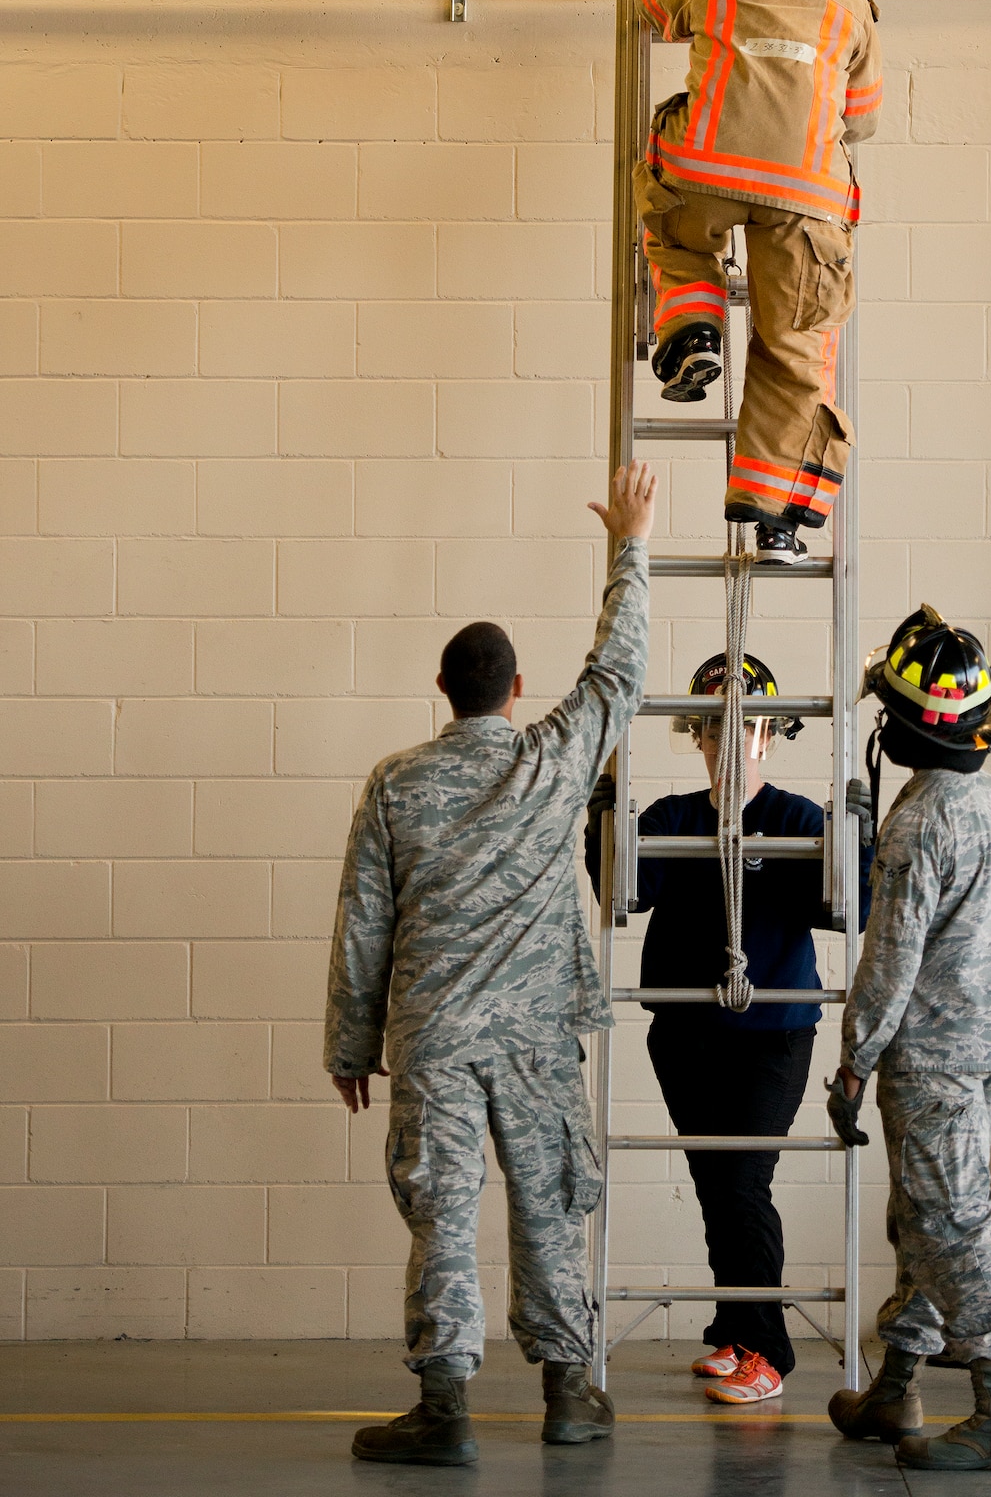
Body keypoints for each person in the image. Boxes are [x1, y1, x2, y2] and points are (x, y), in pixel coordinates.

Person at [323, 460, 657, 1468]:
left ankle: (444, 1407)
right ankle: (568, 1394)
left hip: (431, 1036)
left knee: (441, 1213)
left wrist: (350, 1043)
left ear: (442, 690)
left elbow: (361, 922)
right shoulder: (553, 758)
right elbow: (619, 670)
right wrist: (629, 545)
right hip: (536, 1036)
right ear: (515, 689)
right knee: (551, 1200)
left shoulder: (394, 781)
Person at [585, 651, 873, 1406]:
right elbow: (625, 895)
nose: (729, 739)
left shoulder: (794, 820)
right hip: (682, 1033)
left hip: (772, 1033)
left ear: (772, 735)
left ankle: (768, 1351)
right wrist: (603, 821)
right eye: (713, 728)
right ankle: (735, 1331)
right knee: (718, 1182)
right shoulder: (675, 818)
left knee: (743, 1182)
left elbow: (853, 912)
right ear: (698, 736)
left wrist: (858, 846)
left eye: (746, 726)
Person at [822, 605, 991, 1474]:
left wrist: (852, 1062)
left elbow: (891, 959)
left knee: (950, 1223)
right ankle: (896, 1386)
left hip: (933, 1058)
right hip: (989, 1049)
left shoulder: (920, 824)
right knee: (922, 1217)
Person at [634, 0, 884, 567]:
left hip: (703, 173)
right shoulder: (849, 3)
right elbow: (862, 118)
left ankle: (695, 328)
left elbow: (653, 1)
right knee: (796, 350)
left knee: (675, 233)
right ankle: (771, 513)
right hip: (806, 199)